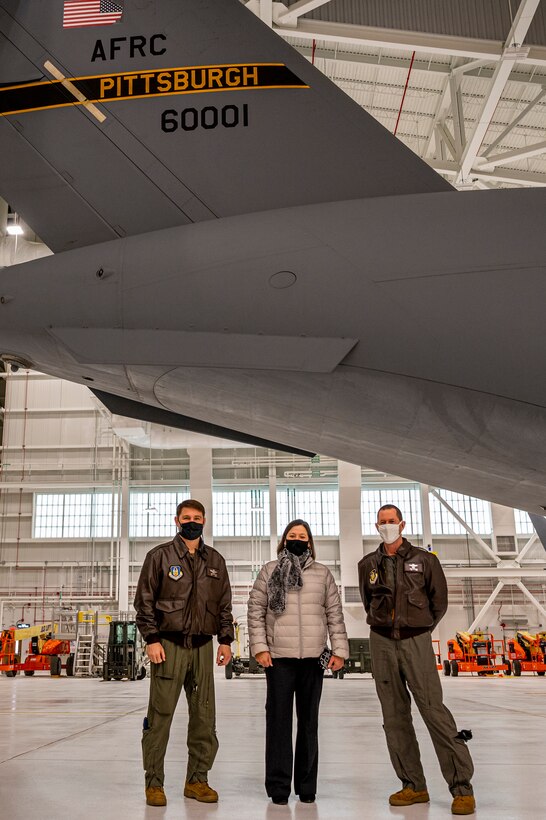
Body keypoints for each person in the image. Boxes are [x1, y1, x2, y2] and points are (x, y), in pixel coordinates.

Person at [358, 504, 475, 816]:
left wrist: (419, 629)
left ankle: (461, 787)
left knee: (434, 711)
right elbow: (368, 601)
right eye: (382, 522)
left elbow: (439, 603)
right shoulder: (368, 564)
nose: (387, 526)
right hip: (381, 642)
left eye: (391, 521)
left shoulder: (425, 560)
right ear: (376, 525)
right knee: (394, 717)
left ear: (402, 523)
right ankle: (413, 785)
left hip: (416, 641)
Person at [134, 499, 233, 807]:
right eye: (187, 517)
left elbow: (224, 607)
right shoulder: (160, 557)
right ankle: (154, 783)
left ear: (205, 521)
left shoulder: (215, 561)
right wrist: (151, 639)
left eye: (198, 517)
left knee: (204, 716)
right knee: (161, 715)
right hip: (168, 646)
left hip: (203, 647)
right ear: (176, 521)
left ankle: (197, 780)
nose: (193, 522)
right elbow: (144, 603)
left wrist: (226, 641)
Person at [248, 519, 349, 805]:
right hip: (278, 658)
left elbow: (334, 613)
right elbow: (255, 611)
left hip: (314, 659)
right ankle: (279, 787)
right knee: (278, 723)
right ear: (283, 540)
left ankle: (307, 785)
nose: (297, 539)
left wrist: (339, 649)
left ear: (309, 541)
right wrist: (259, 648)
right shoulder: (269, 571)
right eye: (292, 535)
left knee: (308, 724)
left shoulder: (322, 573)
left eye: (302, 536)